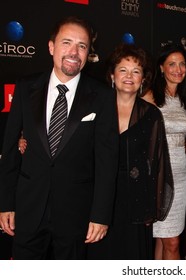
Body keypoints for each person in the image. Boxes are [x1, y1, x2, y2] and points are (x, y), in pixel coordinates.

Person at [0, 16, 119, 259]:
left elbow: (107, 160)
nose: (74, 52)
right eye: (67, 43)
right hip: (28, 208)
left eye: (82, 46)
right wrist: (6, 203)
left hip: (76, 214)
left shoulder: (103, 96)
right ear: (51, 47)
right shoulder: (25, 87)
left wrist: (100, 215)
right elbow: (10, 149)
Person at [87, 43, 174, 259]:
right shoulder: (94, 108)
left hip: (135, 198)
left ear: (143, 79)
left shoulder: (151, 115)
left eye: (136, 71)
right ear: (112, 75)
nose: (129, 76)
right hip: (98, 196)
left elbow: (157, 163)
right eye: (123, 70)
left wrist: (151, 207)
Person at [150, 44, 186, 260]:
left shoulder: (183, 100)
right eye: (172, 64)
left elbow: (180, 141)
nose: (178, 69)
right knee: (172, 242)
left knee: (164, 239)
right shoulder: (151, 98)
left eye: (182, 63)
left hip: (181, 176)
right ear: (161, 68)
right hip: (160, 178)